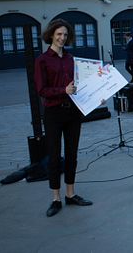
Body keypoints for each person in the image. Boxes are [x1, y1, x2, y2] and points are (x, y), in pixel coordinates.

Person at [34, 19, 93, 217]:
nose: (62, 38)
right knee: (54, 155)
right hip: (53, 113)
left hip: (72, 112)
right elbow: (42, 90)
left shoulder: (70, 59)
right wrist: (63, 90)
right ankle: (56, 198)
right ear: (51, 34)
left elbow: (79, 85)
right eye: (59, 34)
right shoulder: (42, 60)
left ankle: (70, 194)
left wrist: (95, 96)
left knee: (72, 154)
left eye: (65, 35)